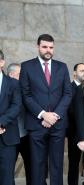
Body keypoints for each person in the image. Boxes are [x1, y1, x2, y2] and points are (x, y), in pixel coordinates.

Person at [19, 34, 72, 185]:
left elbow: (67, 94)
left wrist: (54, 115)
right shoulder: (27, 66)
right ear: (38, 47)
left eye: (51, 47)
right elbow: (26, 95)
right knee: (37, 166)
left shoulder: (62, 67)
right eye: (45, 47)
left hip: (58, 124)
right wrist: (43, 115)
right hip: (36, 125)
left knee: (57, 165)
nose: (48, 50)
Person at [7, 63, 31, 185]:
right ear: (11, 75)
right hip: (9, 136)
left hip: (25, 135)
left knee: (31, 166)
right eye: (20, 75)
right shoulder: (4, 89)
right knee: (8, 169)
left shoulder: (25, 90)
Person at [0, 50, 22, 185]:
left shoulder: (13, 83)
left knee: (7, 178)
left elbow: (16, 106)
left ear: (2, 62)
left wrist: (1, 122)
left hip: (7, 137)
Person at [67, 63, 84, 185]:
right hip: (74, 133)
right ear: (74, 73)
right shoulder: (68, 87)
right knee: (74, 162)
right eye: (81, 70)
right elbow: (69, 110)